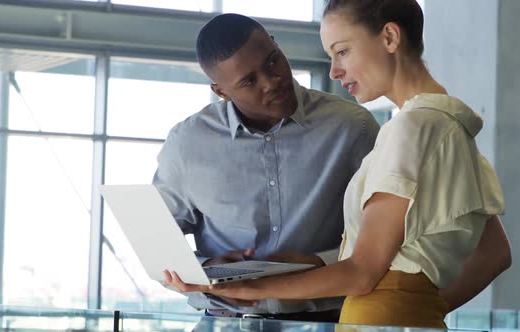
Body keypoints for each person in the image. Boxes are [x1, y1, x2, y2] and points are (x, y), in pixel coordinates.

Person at [164, 0, 512, 328]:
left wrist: (244, 288)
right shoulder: (445, 124)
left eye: (342, 51)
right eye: (331, 54)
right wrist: (419, 310)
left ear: (389, 37)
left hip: (358, 315)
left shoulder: (407, 128)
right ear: (221, 91)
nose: (333, 70)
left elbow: (362, 272)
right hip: (374, 316)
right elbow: (495, 252)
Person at [153, 13, 380, 322]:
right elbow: (156, 244)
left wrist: (320, 262)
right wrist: (206, 269)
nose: (272, 81)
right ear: (221, 91)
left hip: (327, 321)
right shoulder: (187, 143)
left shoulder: (353, 128)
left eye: (273, 61)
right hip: (224, 321)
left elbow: (389, 235)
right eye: (249, 80)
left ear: (275, 45)